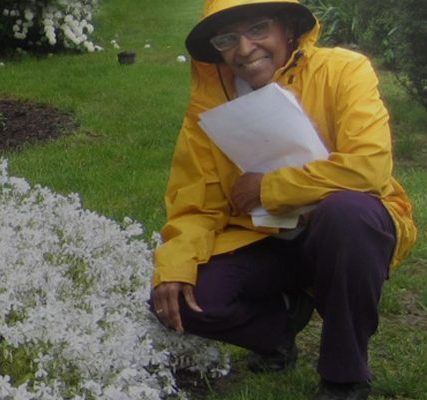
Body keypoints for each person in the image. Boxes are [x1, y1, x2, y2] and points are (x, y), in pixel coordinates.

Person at [150, 1, 418, 399]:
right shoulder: (209, 105)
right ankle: (281, 325)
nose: (243, 49)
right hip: (263, 239)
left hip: (344, 233)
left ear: (287, 29)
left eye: (257, 29)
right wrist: (174, 265)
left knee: (347, 213)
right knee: (185, 300)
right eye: (227, 38)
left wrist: (267, 188)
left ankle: (344, 375)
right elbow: (196, 202)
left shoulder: (344, 70)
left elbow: (369, 166)